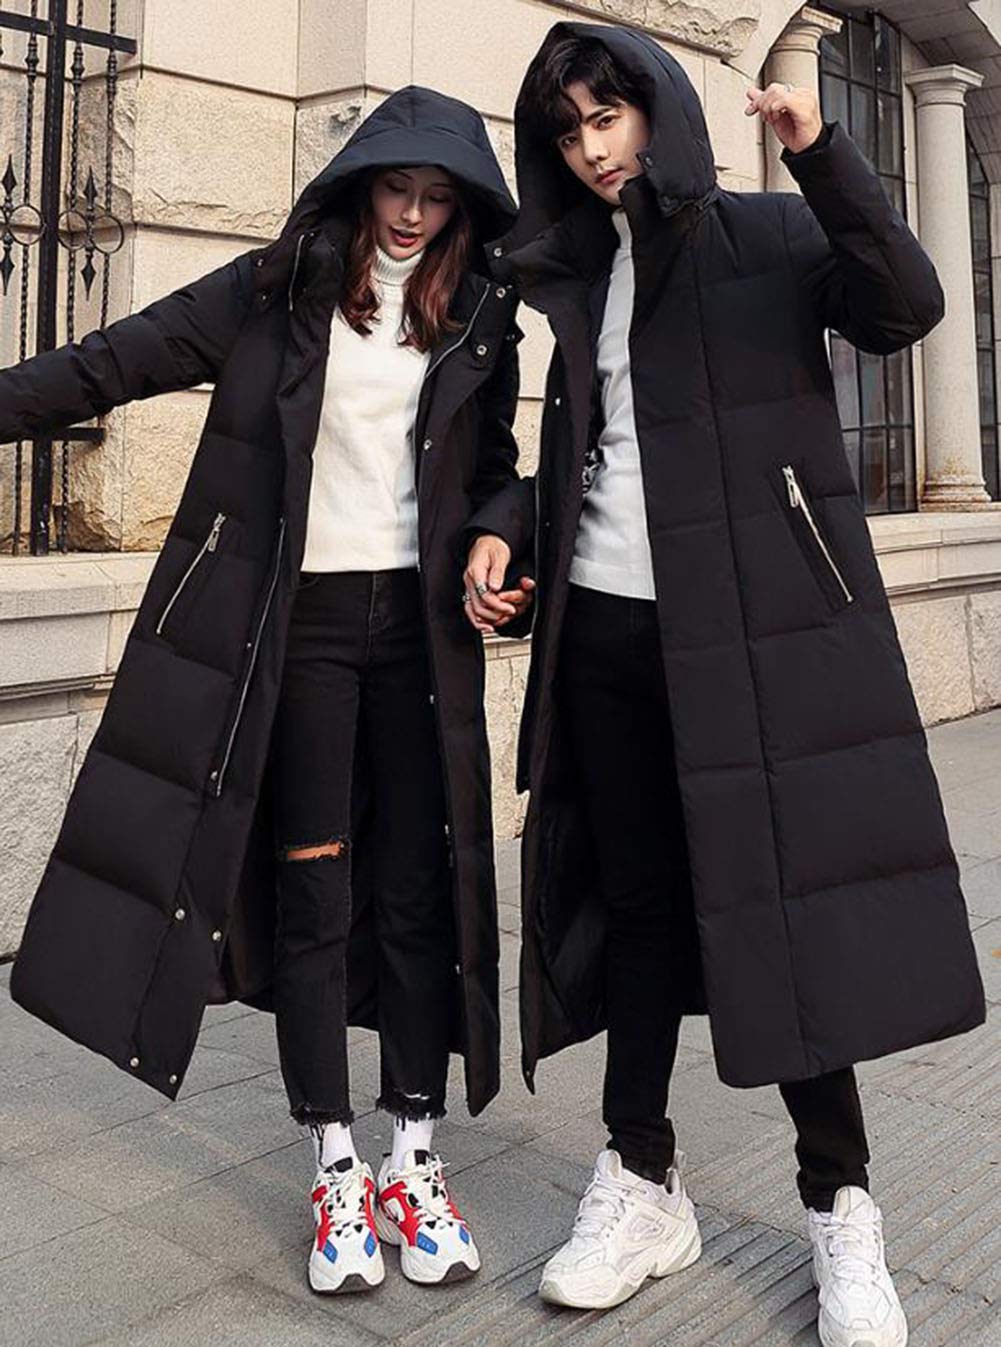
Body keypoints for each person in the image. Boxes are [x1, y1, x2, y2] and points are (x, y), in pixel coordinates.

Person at [463, 23, 985, 1345]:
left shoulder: (766, 233)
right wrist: (509, 531)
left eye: (607, 116)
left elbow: (906, 307)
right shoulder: (578, 270)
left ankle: (840, 1206)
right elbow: (590, 450)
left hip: (751, 636)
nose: (592, 148)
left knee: (780, 908)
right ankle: (641, 1178)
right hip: (607, 636)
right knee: (638, 907)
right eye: (569, 130)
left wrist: (825, 158)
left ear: (655, 109)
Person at [4, 86, 531, 1295]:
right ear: (359, 186)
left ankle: (412, 1153)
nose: (411, 215)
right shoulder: (271, 292)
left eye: (435, 197)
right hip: (301, 634)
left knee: (419, 894)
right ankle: (334, 1163)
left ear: (462, 209)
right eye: (395, 188)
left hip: (421, 638)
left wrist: (502, 536)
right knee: (315, 888)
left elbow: (498, 471)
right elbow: (109, 363)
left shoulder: (479, 316)